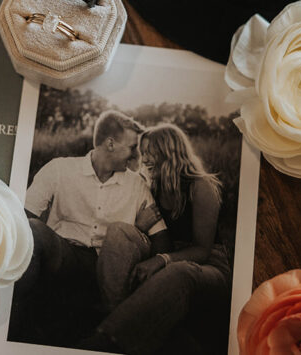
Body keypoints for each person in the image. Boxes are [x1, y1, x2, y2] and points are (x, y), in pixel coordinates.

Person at [10, 110, 167, 346]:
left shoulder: (136, 184)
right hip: (65, 256)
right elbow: (22, 218)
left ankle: (103, 329)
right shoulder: (60, 169)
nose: (137, 156)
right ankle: (8, 319)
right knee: (32, 229)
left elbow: (163, 241)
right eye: (133, 147)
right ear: (110, 144)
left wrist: (138, 231)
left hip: (111, 267)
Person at [85, 124, 231, 355]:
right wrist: (140, 227)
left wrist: (161, 260)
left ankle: (106, 340)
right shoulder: (152, 186)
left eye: (151, 151)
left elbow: (202, 251)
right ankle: (118, 315)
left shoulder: (201, 186)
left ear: (169, 150)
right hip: (167, 256)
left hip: (208, 265)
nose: (145, 159)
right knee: (119, 231)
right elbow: (150, 236)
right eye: (143, 151)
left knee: (180, 271)